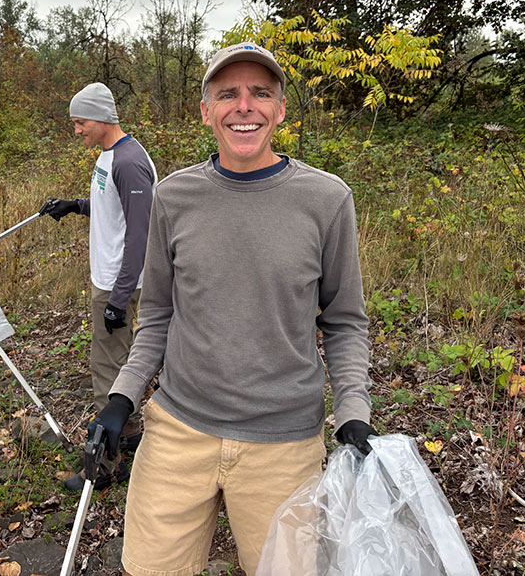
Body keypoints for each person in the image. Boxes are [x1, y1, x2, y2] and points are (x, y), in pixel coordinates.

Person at [90, 43, 375, 575]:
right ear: (206, 111)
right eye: (228, 94)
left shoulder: (327, 200)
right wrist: (122, 397)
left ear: (280, 109)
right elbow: (158, 315)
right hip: (178, 432)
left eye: (260, 93)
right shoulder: (174, 197)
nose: (244, 106)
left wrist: (353, 412)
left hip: (285, 444)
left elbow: (344, 323)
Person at [41, 82, 157, 491]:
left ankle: (106, 464)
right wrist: (76, 206)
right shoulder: (109, 156)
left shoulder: (130, 162)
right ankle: (131, 437)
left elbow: (141, 234)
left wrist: (118, 299)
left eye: (80, 122)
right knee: (118, 363)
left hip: (117, 284)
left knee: (107, 370)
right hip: (108, 280)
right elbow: (112, 208)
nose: (77, 130)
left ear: (102, 117)